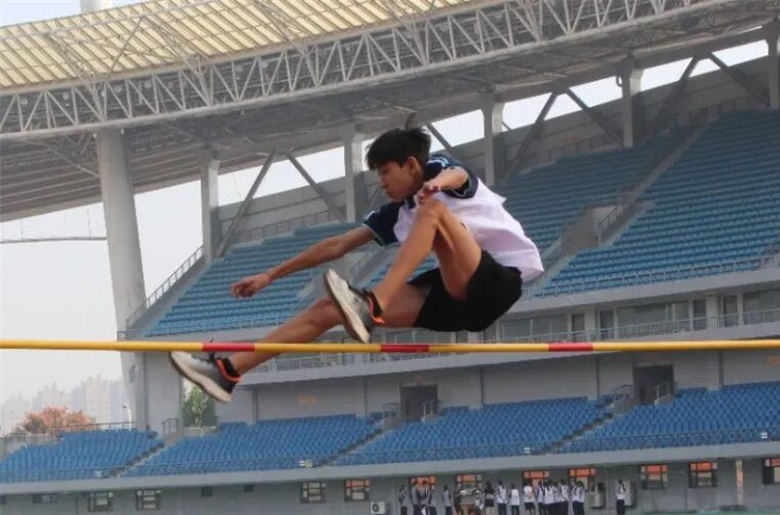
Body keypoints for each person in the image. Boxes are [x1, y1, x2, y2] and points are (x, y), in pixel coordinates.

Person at [168, 126, 543, 402]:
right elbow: (337, 245)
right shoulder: (395, 212)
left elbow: (458, 174)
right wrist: (270, 274)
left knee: (433, 212)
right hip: (456, 295)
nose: (381, 182)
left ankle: (374, 304)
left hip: (499, 281)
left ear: (411, 165)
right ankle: (227, 372)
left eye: (385, 171)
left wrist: (437, 185)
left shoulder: (438, 172)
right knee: (327, 308)